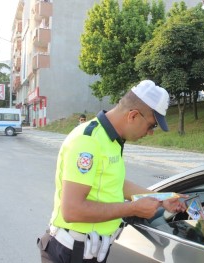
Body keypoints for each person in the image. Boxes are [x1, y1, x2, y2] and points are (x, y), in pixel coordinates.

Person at [37, 80, 187, 263]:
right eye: (152, 126)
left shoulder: (112, 140)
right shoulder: (88, 141)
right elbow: (72, 210)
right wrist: (133, 208)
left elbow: (115, 183)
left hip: (90, 250)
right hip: (70, 253)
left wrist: (163, 199)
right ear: (133, 116)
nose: (150, 133)